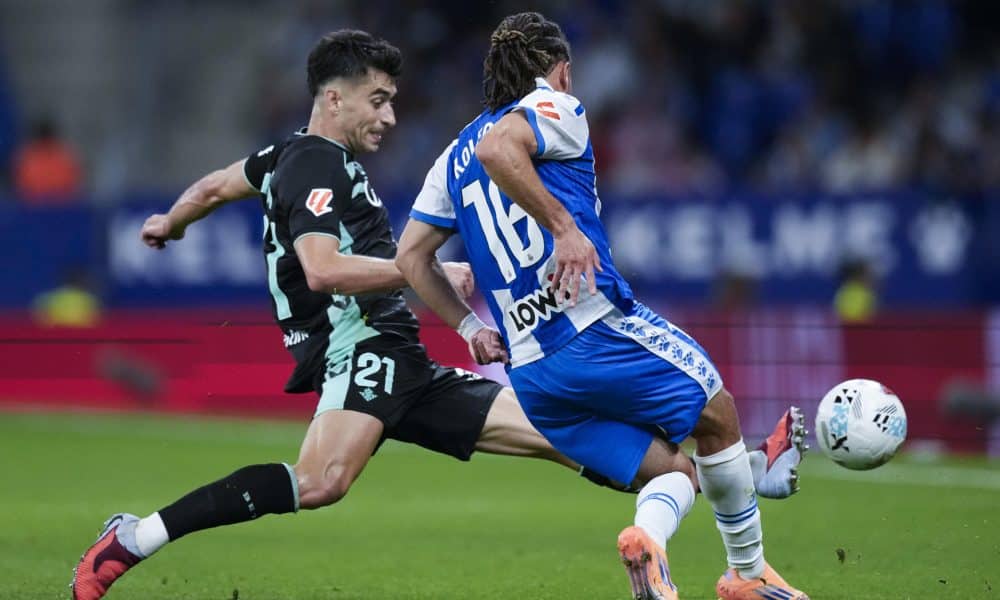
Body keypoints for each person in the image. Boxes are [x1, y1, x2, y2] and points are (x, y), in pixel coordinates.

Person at [71, 28, 801, 600]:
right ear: (334, 99)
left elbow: (211, 187)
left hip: (408, 366)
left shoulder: (277, 158)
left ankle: (742, 478)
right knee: (320, 481)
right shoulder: (317, 163)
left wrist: (170, 221)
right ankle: (135, 536)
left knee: (625, 457)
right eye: (377, 99)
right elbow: (322, 269)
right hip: (364, 349)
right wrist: (422, 272)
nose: (389, 116)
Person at [396, 12, 808, 600]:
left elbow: (411, 256)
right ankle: (747, 572)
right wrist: (564, 228)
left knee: (674, 472)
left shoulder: (449, 156)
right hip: (592, 329)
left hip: (533, 376)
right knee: (716, 410)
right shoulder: (555, 106)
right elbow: (498, 148)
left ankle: (650, 544)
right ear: (561, 71)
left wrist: (467, 326)